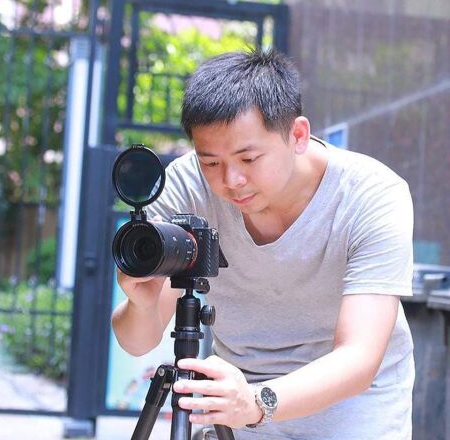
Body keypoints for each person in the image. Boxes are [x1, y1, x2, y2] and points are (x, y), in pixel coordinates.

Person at [111, 49, 414, 440]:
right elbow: (138, 342)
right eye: (211, 162)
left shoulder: (371, 195)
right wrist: (140, 303)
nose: (231, 180)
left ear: (298, 135)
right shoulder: (187, 188)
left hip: (354, 412)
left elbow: (360, 357)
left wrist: (256, 403)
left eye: (249, 159)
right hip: (234, 400)